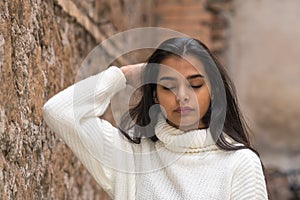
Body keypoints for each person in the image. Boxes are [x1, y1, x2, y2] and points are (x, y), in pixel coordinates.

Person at [43, 37, 269, 199]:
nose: (182, 96)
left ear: (214, 91)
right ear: (155, 95)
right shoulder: (132, 157)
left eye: (195, 84)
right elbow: (59, 111)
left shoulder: (239, 163)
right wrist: (126, 74)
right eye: (168, 86)